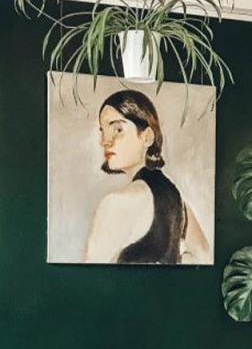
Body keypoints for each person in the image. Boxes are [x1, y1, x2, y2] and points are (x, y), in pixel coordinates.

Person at [85, 89, 210, 265]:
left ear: (147, 137)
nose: (105, 141)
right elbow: (204, 256)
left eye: (118, 129)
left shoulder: (115, 202)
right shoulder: (177, 198)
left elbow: (91, 276)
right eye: (103, 131)